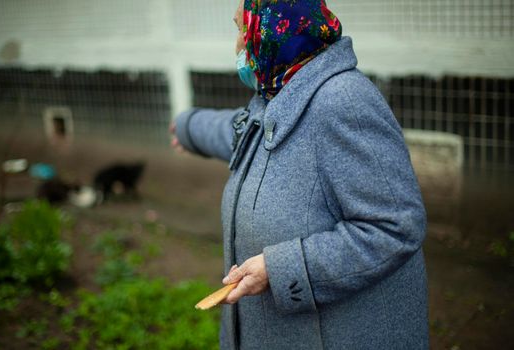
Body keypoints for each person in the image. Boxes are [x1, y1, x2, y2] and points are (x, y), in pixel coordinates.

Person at [170, 0, 429, 349]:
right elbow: (239, 132)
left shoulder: (344, 101)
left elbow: (395, 225)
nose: (237, 46)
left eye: (241, 30)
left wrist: (280, 269)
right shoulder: (280, 93)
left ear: (274, 30)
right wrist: (187, 128)